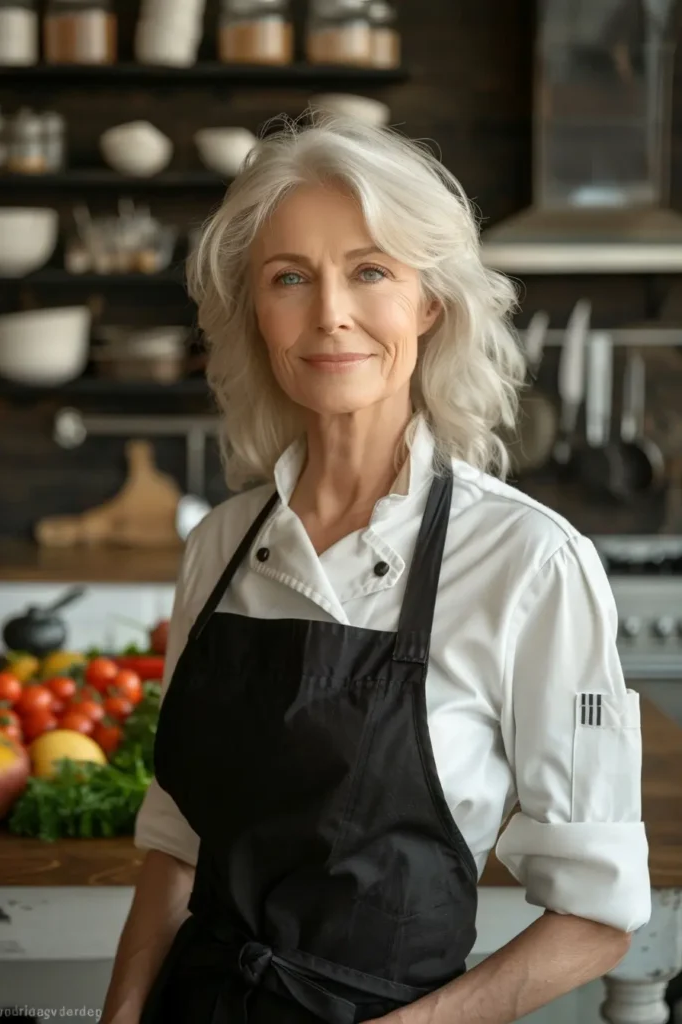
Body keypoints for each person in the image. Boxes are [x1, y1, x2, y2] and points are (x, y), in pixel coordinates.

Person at [100, 115, 650, 1024]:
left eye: (369, 271)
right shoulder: (220, 545)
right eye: (289, 278)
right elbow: (178, 843)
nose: (329, 314)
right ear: (254, 313)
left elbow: (596, 917)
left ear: (429, 303)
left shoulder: (526, 560)